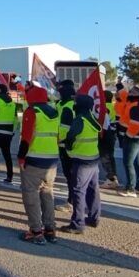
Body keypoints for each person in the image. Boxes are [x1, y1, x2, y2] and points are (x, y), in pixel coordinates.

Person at [16, 86, 60, 244]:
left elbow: (26, 137)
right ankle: (50, 229)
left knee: (31, 196)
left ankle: (36, 231)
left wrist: (21, 157)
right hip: (52, 161)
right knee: (47, 195)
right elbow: (58, 137)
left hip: (34, 160)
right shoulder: (54, 113)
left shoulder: (32, 111)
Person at [61, 95, 102, 234]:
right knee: (93, 190)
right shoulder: (92, 118)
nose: (74, 104)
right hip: (93, 159)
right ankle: (94, 218)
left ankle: (78, 224)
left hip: (81, 160)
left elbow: (71, 136)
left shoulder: (80, 120)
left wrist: (68, 148)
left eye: (76, 102)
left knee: (78, 191)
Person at [119, 87, 139, 197]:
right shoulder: (133, 103)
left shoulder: (136, 107)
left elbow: (134, 125)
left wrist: (128, 135)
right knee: (137, 162)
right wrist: (119, 86)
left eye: (132, 92)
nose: (129, 93)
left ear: (137, 95)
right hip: (136, 137)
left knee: (128, 162)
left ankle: (131, 188)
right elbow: (123, 95)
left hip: (133, 138)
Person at [55, 81, 76, 209]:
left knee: (71, 175)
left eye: (60, 89)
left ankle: (71, 202)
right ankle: (72, 200)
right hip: (62, 143)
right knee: (69, 174)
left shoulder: (69, 105)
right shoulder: (61, 104)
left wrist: (61, 139)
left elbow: (66, 127)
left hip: (66, 143)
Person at [98, 90, 119, 189]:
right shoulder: (113, 106)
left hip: (106, 133)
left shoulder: (104, 107)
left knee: (105, 157)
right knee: (110, 156)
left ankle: (111, 179)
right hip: (112, 133)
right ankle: (114, 177)